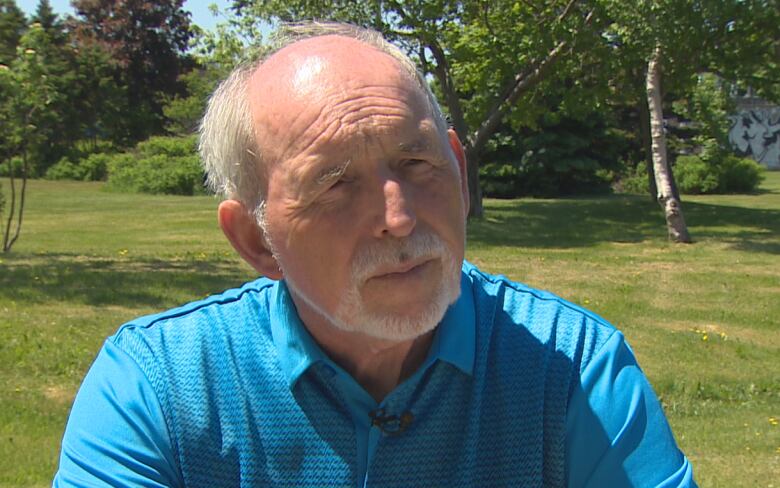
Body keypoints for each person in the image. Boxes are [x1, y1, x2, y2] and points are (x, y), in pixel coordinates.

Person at [54, 22, 696, 487]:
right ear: (255, 240)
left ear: (459, 167)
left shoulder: (571, 368)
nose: (399, 217)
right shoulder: (160, 388)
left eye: (417, 163)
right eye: (335, 185)